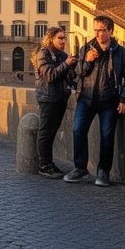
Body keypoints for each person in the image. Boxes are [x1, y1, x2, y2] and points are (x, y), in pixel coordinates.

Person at [65, 15, 125, 187]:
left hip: (109, 101)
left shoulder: (121, 53)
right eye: (95, 30)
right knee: (78, 130)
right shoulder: (86, 49)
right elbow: (78, 72)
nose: (97, 34)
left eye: (101, 30)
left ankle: (103, 171)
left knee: (107, 136)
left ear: (110, 31)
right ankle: (80, 168)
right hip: (86, 98)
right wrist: (87, 61)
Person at [33, 27, 77, 178]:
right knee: (45, 132)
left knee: (51, 133)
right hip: (48, 98)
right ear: (51, 39)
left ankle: (49, 163)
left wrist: (71, 71)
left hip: (60, 98)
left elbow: (67, 77)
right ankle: (44, 165)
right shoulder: (43, 53)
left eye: (64, 38)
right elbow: (50, 76)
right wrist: (66, 64)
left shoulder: (63, 55)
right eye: (60, 38)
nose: (63, 41)